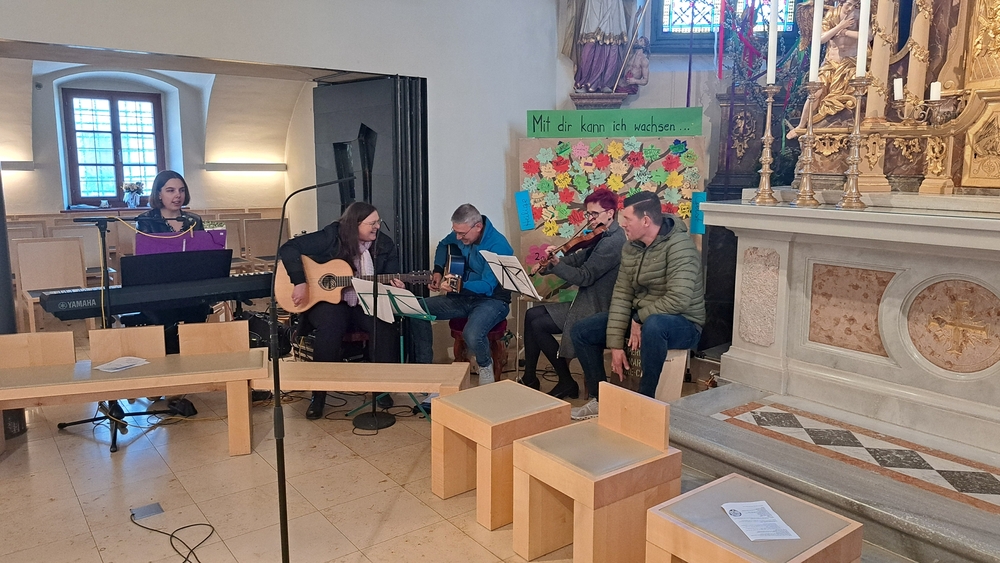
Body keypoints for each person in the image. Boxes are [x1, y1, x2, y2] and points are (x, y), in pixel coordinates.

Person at [569, 191, 705, 420]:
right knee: (582, 331)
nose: (622, 224)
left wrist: (639, 318)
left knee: (654, 325)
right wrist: (615, 345)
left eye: (627, 219)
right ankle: (601, 399)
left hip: (684, 323)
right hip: (644, 317)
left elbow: (678, 299)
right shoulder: (630, 247)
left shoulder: (681, 247)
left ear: (646, 221)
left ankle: (644, 405)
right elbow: (622, 295)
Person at [277, 201, 403, 419]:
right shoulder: (331, 236)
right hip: (327, 301)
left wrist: (394, 285)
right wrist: (300, 281)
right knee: (331, 325)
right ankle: (319, 394)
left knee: (383, 324)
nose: (377, 227)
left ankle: (382, 388)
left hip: (363, 301)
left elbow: (390, 276)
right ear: (355, 224)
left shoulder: (384, 245)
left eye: (378, 222)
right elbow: (288, 249)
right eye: (372, 223)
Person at [520, 188, 625, 399]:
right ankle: (529, 377)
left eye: (594, 214)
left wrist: (556, 264)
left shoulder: (614, 242)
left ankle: (566, 381)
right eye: (588, 214)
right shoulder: (603, 234)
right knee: (531, 315)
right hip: (585, 301)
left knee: (538, 325)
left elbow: (585, 277)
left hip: (597, 307)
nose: (590, 219)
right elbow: (577, 258)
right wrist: (550, 263)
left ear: (610, 213)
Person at [412, 204, 514, 384]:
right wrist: (438, 271)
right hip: (464, 296)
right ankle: (424, 367)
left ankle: (485, 366)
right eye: (456, 232)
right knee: (416, 309)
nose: (458, 237)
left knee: (472, 334)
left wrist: (457, 285)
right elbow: (443, 244)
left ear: (478, 226)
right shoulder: (463, 233)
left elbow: (487, 286)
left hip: (492, 300)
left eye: (462, 234)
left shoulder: (498, 245)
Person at [787, 0, 861, 139]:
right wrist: (840, 26)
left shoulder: (858, 15)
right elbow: (820, 39)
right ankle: (801, 126)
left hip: (849, 65)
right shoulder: (831, 15)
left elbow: (868, 36)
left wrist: (846, 32)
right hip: (830, 63)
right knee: (815, 93)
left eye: (854, 5)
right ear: (841, 2)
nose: (851, 8)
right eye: (848, 4)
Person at [135, 170, 205, 233]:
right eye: (171, 190)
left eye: (182, 190)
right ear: (159, 194)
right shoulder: (146, 220)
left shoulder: (194, 220)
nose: (178, 195)